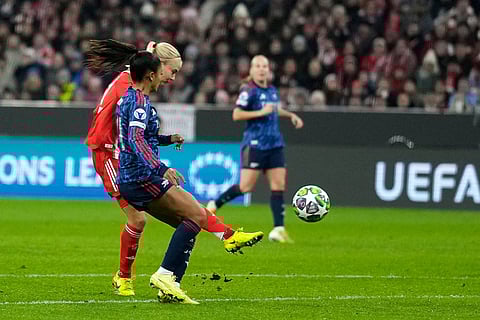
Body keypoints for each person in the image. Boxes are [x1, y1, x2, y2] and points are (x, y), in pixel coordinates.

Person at [88, 39, 264, 304]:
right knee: (155, 218)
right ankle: (137, 277)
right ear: (155, 70)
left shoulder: (134, 90)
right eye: (172, 71)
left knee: (189, 218)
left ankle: (176, 276)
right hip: (118, 159)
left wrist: (167, 140)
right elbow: (134, 139)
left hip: (131, 165)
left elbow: (140, 134)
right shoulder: (134, 97)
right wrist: (162, 167)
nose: (173, 78)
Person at [207, 55, 304, 243]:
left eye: (264, 66)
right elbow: (237, 114)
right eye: (257, 66)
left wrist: (290, 115)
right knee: (245, 187)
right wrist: (260, 112)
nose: (261, 69)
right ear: (251, 70)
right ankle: (214, 204)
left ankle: (278, 229)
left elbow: (274, 110)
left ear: (268, 70)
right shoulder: (248, 90)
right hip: (255, 144)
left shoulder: (272, 90)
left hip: (275, 144)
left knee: (279, 186)